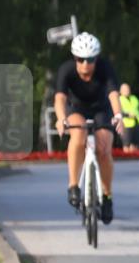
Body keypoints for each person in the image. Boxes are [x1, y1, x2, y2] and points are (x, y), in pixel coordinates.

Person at [53, 33, 125, 224]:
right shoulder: (66, 70)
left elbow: (113, 94)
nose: (86, 64)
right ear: (74, 58)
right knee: (78, 133)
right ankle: (74, 185)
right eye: (80, 59)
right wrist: (61, 119)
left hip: (102, 109)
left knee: (103, 149)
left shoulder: (105, 68)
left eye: (90, 59)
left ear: (97, 58)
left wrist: (118, 115)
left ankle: (107, 196)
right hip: (77, 109)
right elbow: (60, 98)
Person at [119, 83, 139, 153]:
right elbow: (118, 112)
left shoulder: (134, 98)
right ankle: (126, 160)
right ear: (120, 91)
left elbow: (138, 109)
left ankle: (134, 160)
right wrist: (127, 115)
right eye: (124, 89)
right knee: (126, 145)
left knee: (135, 144)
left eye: (127, 89)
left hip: (136, 122)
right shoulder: (119, 99)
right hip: (126, 124)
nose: (127, 91)